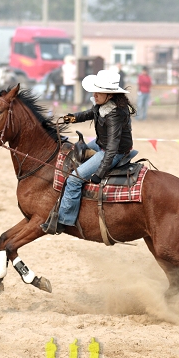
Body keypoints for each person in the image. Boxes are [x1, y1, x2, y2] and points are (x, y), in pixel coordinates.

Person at [40, 69, 135, 235]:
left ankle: (63, 220)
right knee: (74, 152)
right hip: (101, 144)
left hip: (113, 152)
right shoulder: (103, 105)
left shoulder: (115, 114)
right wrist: (74, 117)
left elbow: (112, 148)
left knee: (74, 179)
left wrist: (100, 172)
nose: (94, 94)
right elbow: (90, 113)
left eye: (99, 91)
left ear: (110, 95)